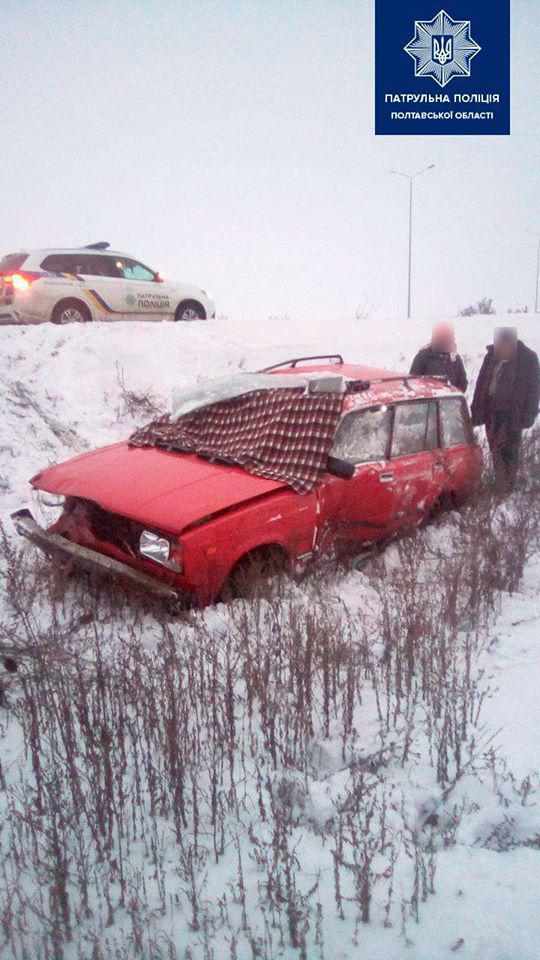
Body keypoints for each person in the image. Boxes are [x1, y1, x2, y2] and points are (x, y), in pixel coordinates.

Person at [471, 327, 540, 493]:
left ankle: (506, 488)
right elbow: (481, 384)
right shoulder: (491, 357)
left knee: (510, 450)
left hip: (512, 415)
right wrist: (476, 409)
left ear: (512, 343)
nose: (501, 348)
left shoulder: (528, 359)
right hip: (491, 413)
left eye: (504, 344)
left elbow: (534, 389)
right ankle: (500, 483)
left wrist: (529, 414)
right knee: (495, 449)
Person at [410, 322, 468, 391]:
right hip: (428, 400)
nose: (452, 339)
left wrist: (452, 394)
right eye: (448, 337)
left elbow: (463, 384)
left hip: (449, 400)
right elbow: (412, 383)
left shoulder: (455, 358)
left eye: (452, 336)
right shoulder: (423, 357)